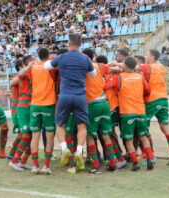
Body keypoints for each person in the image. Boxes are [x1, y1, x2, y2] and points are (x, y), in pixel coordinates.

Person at [44, 33, 96, 170]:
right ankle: (79, 151)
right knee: (82, 126)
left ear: (69, 43)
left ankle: (64, 148)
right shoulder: (85, 59)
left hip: (65, 95)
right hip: (80, 96)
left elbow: (47, 66)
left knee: (60, 125)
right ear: (80, 44)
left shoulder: (62, 57)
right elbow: (93, 74)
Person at [104, 57, 154, 171]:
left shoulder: (119, 77)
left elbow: (106, 87)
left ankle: (135, 162)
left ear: (125, 66)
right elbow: (148, 90)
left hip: (126, 113)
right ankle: (150, 159)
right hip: (141, 111)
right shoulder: (140, 77)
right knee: (143, 137)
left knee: (129, 139)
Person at [83, 49, 121, 174]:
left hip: (92, 104)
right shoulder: (100, 66)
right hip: (105, 103)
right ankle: (113, 164)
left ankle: (96, 166)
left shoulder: (81, 67)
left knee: (90, 135)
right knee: (105, 134)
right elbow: (117, 70)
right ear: (93, 56)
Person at [19, 48, 56, 174]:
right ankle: (46, 166)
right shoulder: (50, 66)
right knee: (49, 136)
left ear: (38, 56)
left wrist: (29, 65)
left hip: (35, 105)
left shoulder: (33, 66)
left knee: (35, 136)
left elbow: (20, 75)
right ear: (48, 56)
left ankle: (35, 165)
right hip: (49, 104)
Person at [145, 50, 169, 165]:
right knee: (165, 129)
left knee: (143, 126)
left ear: (152, 57)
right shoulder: (161, 67)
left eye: (147, 55)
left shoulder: (149, 67)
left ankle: (151, 155)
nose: (146, 57)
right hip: (164, 99)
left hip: (153, 99)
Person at [9, 55, 34, 171]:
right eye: (31, 61)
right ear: (24, 64)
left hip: (32, 106)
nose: (34, 62)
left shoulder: (33, 74)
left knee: (32, 136)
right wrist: (28, 66)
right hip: (23, 107)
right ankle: (14, 160)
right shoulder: (23, 74)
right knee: (25, 135)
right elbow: (18, 76)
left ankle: (22, 161)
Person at [6, 60, 23, 162]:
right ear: (21, 67)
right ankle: (12, 155)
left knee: (23, 134)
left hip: (22, 108)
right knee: (22, 134)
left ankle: (13, 155)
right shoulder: (18, 77)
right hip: (18, 109)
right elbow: (12, 83)